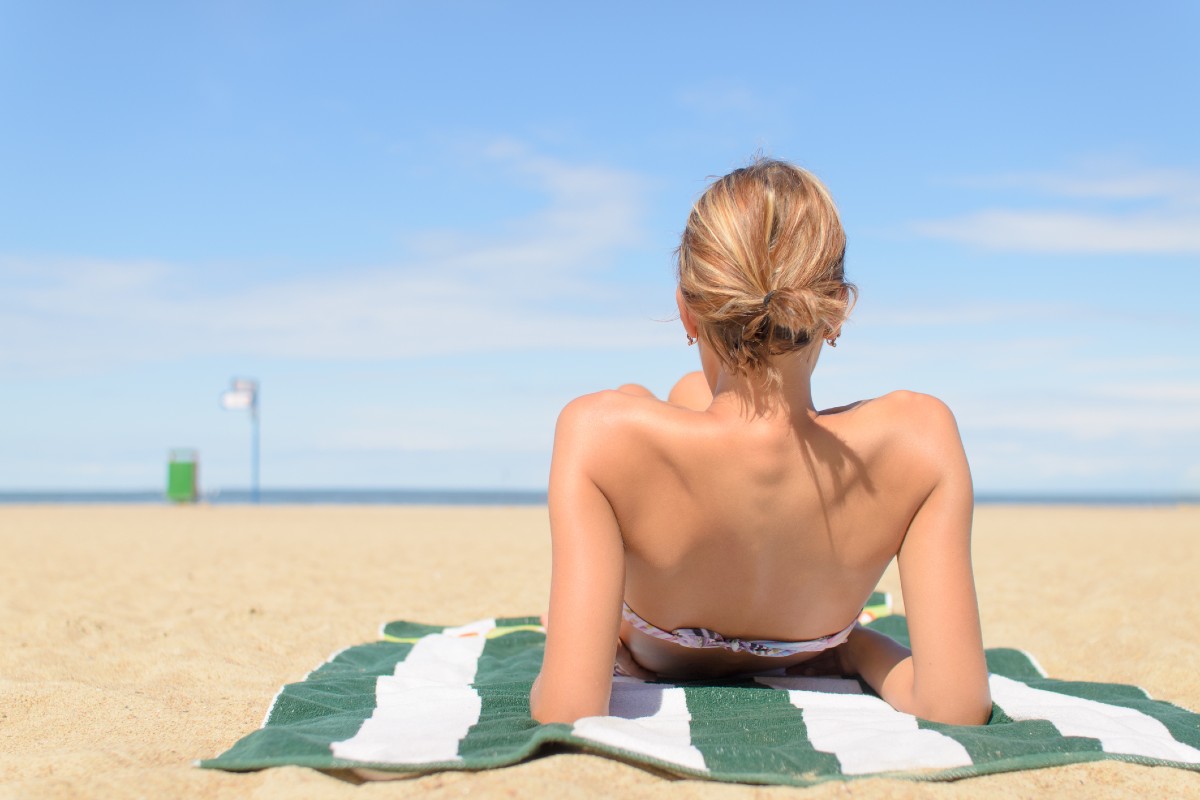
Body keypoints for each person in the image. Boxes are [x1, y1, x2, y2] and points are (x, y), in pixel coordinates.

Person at [529, 158, 991, 727]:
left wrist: (599, 646)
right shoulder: (921, 439)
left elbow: (568, 708)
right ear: (836, 309)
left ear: (687, 311)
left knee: (654, 396)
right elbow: (958, 706)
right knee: (689, 391)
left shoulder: (598, 432)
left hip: (659, 646)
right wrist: (854, 647)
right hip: (807, 641)